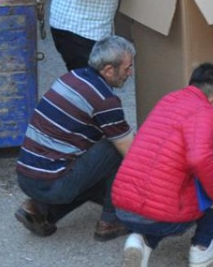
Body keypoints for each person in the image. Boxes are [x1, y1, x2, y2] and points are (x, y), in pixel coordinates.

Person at [111, 63, 213, 267]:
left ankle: (141, 240)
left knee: (168, 186)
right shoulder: (207, 112)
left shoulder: (169, 100)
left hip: (123, 208)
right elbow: (199, 159)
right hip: (161, 216)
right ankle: (201, 247)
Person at [14, 35, 136, 242]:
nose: (130, 73)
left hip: (26, 176)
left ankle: (38, 209)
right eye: (126, 68)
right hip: (51, 182)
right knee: (115, 149)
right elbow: (131, 152)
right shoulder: (105, 100)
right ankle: (111, 221)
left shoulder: (72, 77)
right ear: (108, 70)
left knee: (94, 161)